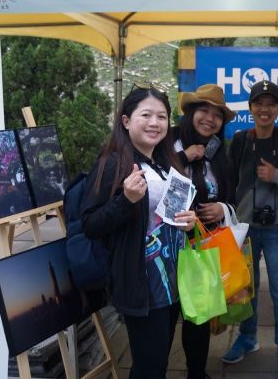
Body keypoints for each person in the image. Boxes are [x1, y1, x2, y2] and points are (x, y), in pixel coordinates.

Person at [82, 86, 197, 379]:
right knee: (149, 367)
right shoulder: (112, 163)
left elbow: (168, 218)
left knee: (158, 362)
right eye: (146, 115)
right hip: (142, 284)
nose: (154, 123)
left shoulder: (165, 163)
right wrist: (125, 200)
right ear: (126, 121)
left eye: (161, 116)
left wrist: (189, 222)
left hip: (172, 280)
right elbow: (90, 225)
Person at [223, 80, 278, 379]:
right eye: (259, 103)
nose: (264, 109)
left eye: (271, 104)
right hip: (245, 228)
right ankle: (248, 337)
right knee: (247, 289)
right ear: (250, 108)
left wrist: (277, 175)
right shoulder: (240, 141)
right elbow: (229, 182)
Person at [174, 83, 236, 379]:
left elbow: (231, 192)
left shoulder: (219, 151)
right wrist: (184, 157)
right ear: (190, 112)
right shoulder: (169, 141)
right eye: (204, 111)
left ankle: (196, 372)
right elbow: (153, 178)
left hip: (205, 245)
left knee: (199, 316)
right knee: (165, 315)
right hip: (168, 245)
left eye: (218, 115)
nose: (210, 119)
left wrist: (223, 208)